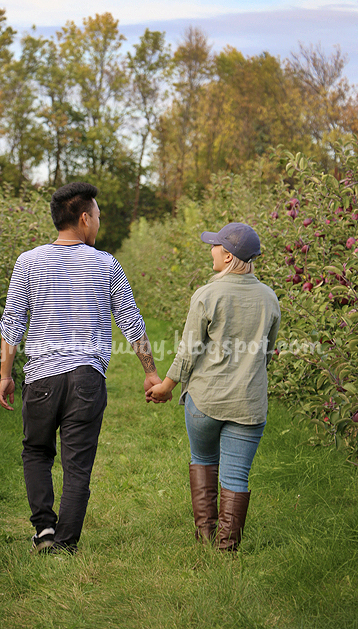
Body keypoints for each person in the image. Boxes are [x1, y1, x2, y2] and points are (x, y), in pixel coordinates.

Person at [0, 182, 163, 555]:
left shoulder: (27, 262)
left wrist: (6, 375)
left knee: (36, 451)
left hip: (40, 377)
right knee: (78, 464)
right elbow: (131, 321)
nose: (99, 223)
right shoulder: (106, 264)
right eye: (98, 216)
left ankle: (44, 530)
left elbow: (12, 323)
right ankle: (65, 543)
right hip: (87, 378)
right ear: (85, 218)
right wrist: (150, 372)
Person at [146, 222, 280, 552]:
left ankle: (205, 537)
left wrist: (165, 386)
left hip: (206, 401)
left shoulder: (208, 295)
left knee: (203, 459)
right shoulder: (269, 298)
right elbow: (266, 354)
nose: (211, 250)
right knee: (236, 476)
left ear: (228, 255)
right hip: (248, 403)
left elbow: (188, 351)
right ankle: (226, 550)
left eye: (215, 245)